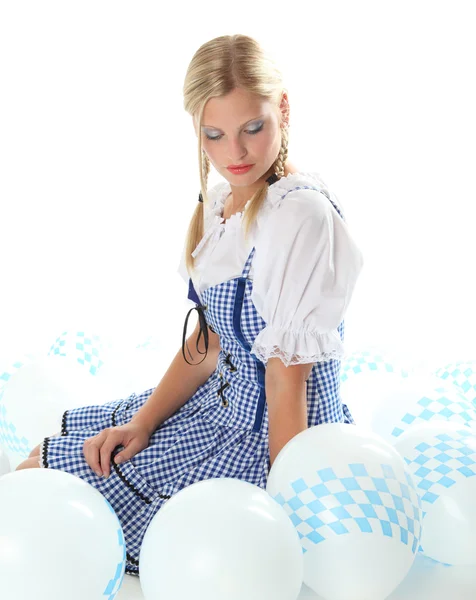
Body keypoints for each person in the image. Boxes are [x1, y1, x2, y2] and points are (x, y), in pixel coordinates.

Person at [16, 34, 364, 576]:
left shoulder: (300, 218)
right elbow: (209, 345)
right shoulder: (223, 205)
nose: (236, 154)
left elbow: (285, 380)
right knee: (39, 465)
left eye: (253, 128)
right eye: (215, 135)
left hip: (271, 436)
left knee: (41, 483)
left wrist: (288, 505)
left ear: (284, 109)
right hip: (217, 410)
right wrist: (145, 422)